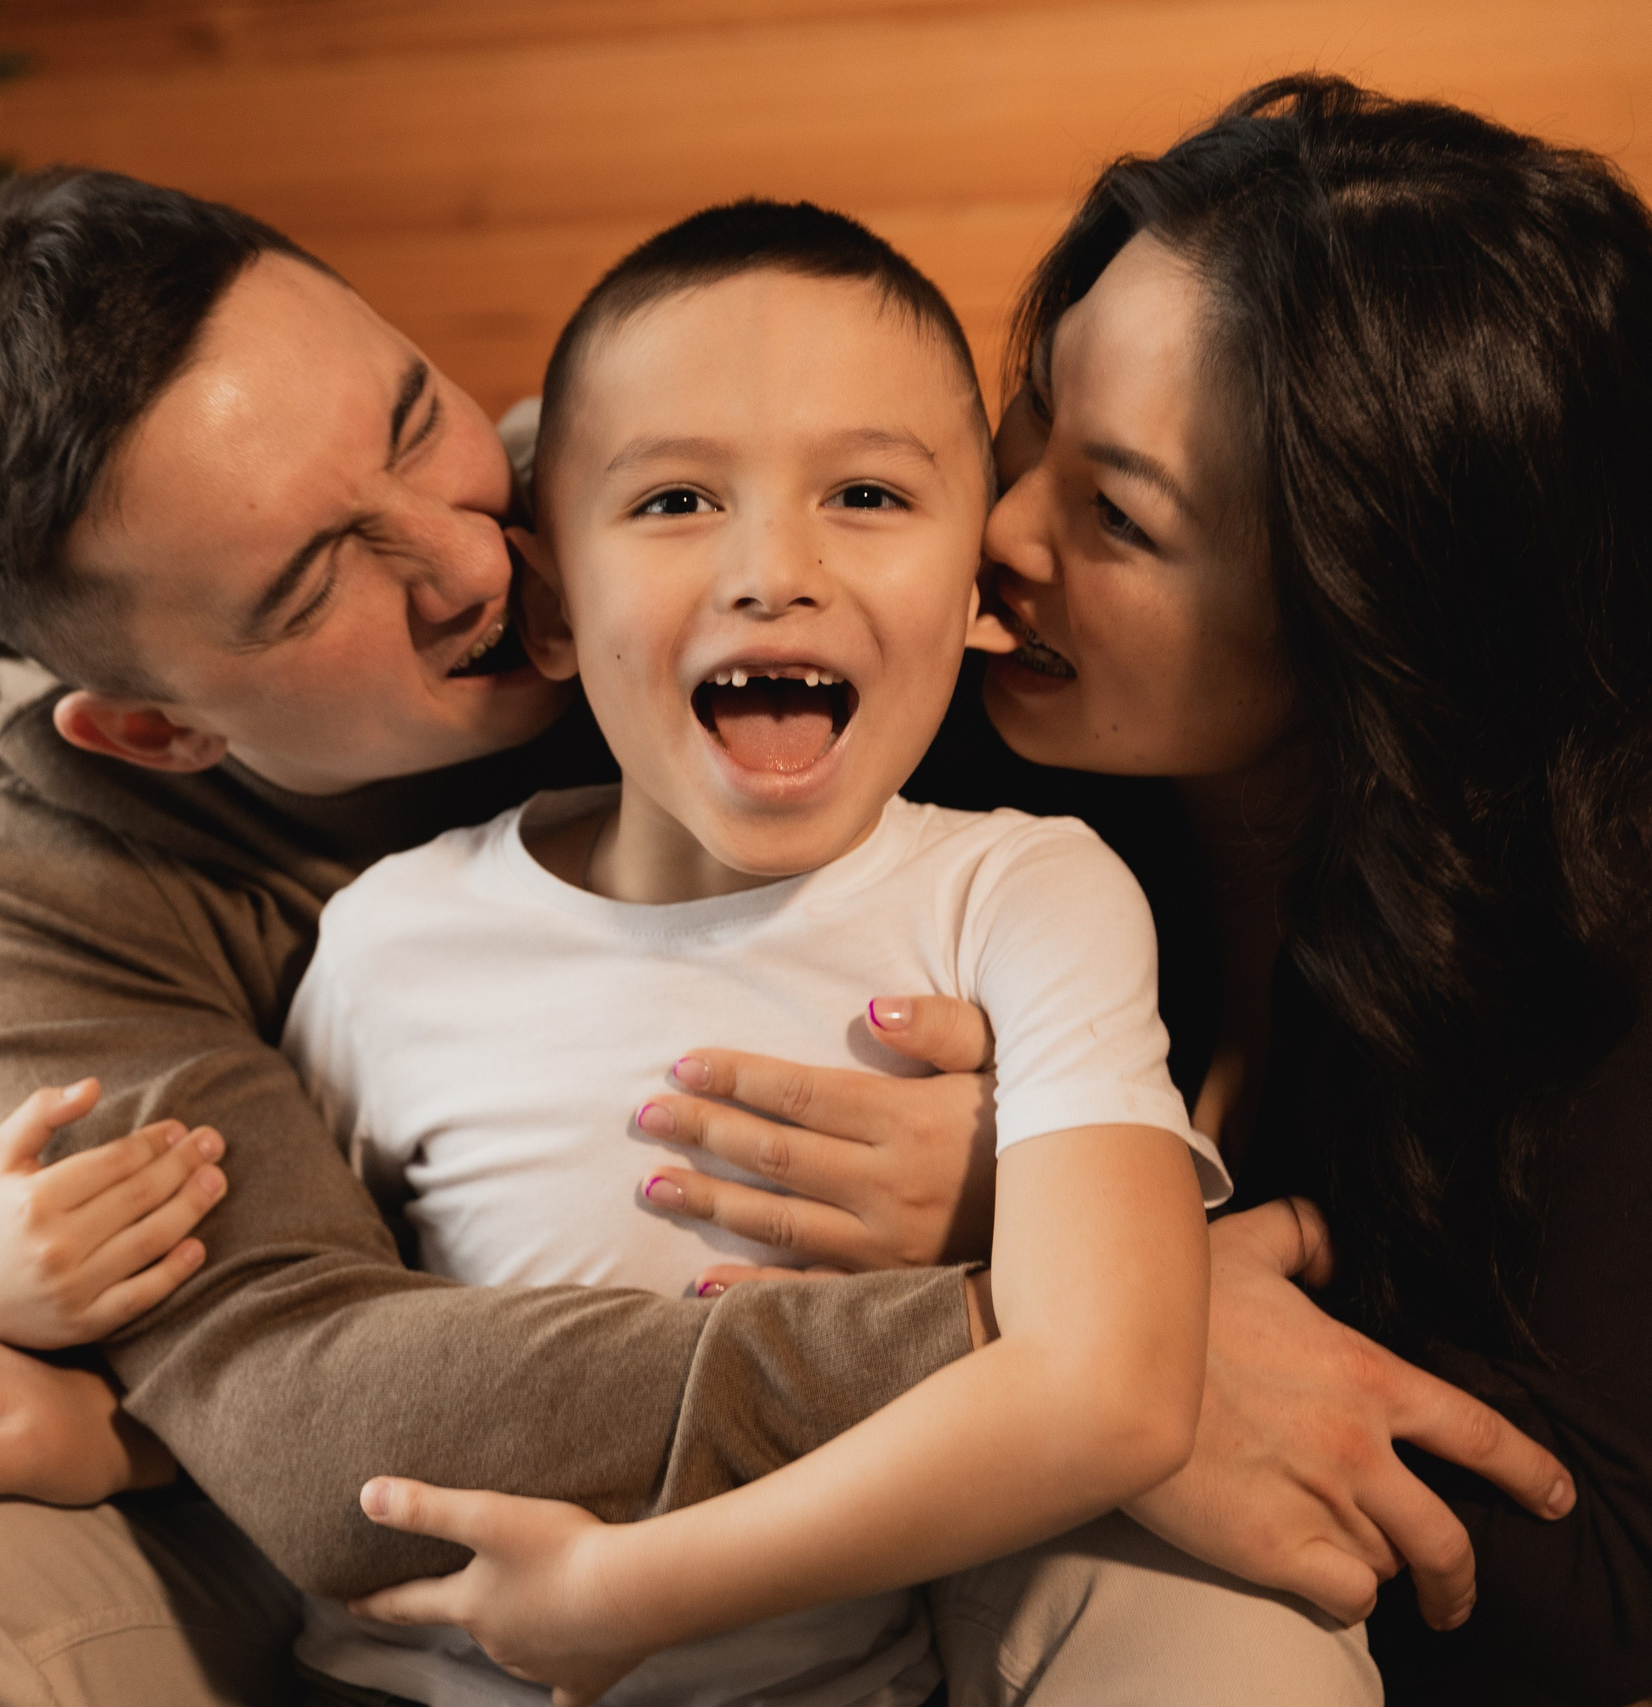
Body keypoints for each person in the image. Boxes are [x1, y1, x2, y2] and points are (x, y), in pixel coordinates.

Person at [0, 143, 1575, 1705]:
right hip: (405, 1559)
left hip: (902, 1557)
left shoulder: (706, 525)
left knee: (1207, 1594)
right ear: (158, 729)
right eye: (312, 582)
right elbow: (295, 1400)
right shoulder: (42, 875)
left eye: (419, 425)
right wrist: (1059, 1325)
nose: (472, 558)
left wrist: (1062, 1246)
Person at [358, 78, 1652, 1707]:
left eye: (1117, 513)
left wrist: (1079, 1272)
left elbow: (1610, 1592)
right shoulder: (878, 722)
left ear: (1364, 620)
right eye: (1031, 416)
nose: (1000, 531)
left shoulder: (1588, 945)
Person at [284, 197, 1243, 1706]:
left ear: (974, 582)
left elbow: (1111, 1390)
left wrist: (620, 1595)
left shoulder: (1025, 897)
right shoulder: (390, 940)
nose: (774, 569)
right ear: (552, 602)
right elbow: (286, 1335)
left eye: (866, 493)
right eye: (676, 501)